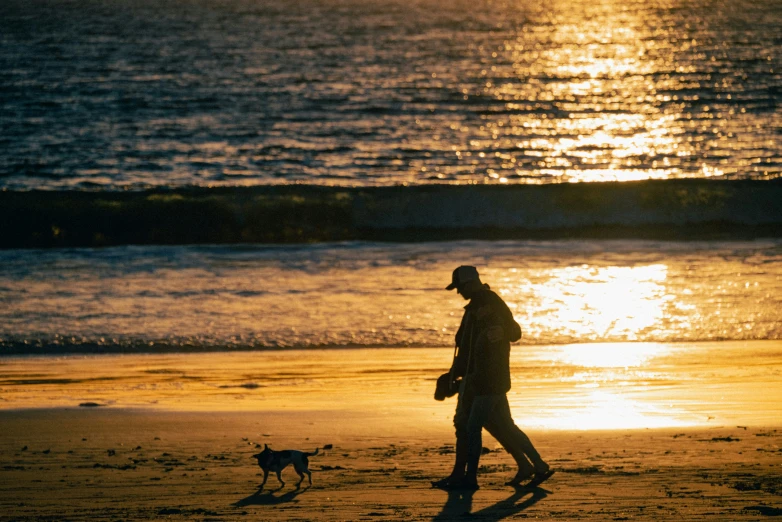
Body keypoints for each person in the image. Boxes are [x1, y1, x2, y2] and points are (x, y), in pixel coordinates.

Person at [432, 265, 551, 491]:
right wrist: (455, 373)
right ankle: (535, 465)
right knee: (502, 425)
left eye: (459, 287)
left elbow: (514, 333)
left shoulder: (491, 304)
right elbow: (467, 349)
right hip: (482, 380)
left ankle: (468, 478)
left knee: (470, 427)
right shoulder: (475, 307)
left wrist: (499, 334)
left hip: (486, 382)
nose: (458, 293)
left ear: (469, 284)